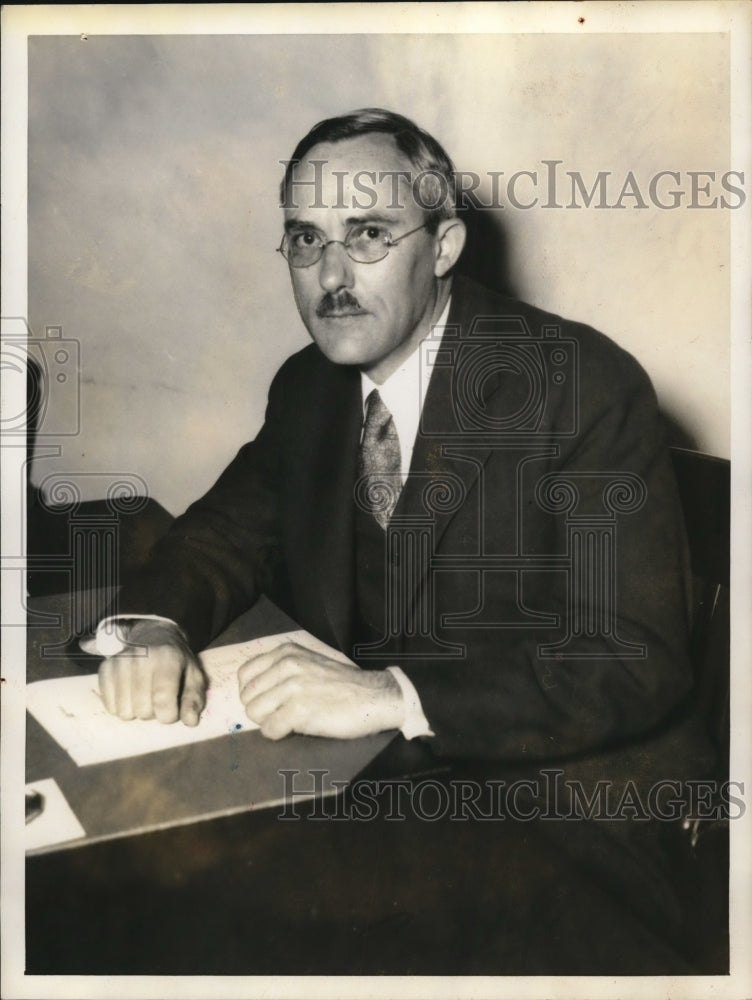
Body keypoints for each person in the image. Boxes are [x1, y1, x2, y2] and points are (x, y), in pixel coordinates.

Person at [87, 109, 713, 973]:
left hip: (557, 815)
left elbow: (634, 657)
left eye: (369, 234)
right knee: (136, 909)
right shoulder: (310, 386)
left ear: (445, 245)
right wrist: (156, 624)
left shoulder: (579, 383)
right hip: (366, 787)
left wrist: (393, 693)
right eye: (305, 239)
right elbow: (223, 531)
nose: (331, 276)